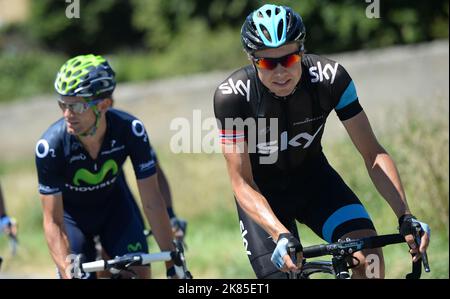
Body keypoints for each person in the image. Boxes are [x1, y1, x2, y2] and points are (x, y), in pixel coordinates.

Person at [213, 4, 430, 279]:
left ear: (301, 51)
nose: (280, 72)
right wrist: (280, 233)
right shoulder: (232, 97)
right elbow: (241, 181)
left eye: (289, 60)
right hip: (263, 194)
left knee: (369, 260)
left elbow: (373, 153)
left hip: (315, 182)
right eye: (268, 62)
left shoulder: (331, 79)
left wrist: (405, 215)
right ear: (252, 60)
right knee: (283, 274)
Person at [35, 54, 179, 279]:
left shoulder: (130, 130)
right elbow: (53, 221)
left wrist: (172, 261)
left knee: (138, 274)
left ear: (104, 105)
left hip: (115, 209)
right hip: (73, 220)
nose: (67, 114)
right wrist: (66, 271)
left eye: (77, 106)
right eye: (63, 104)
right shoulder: (50, 146)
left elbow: (152, 200)